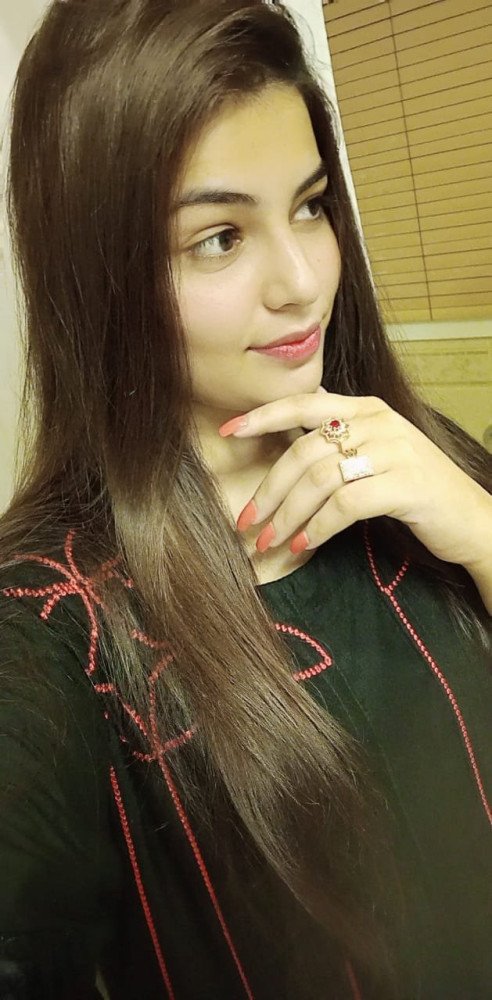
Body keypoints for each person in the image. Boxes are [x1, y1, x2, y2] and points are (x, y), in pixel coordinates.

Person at [0, 1, 490, 997]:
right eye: (219, 238)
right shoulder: (50, 627)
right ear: (97, 273)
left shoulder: (419, 458)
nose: (303, 281)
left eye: (310, 206)